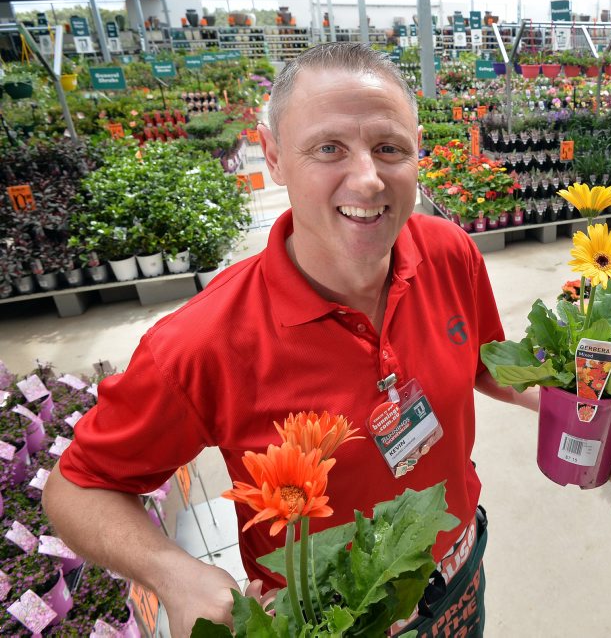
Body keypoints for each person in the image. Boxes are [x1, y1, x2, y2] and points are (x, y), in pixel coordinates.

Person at [43, 42, 537, 637]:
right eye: (329, 149)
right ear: (274, 157)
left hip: (459, 574)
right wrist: (171, 572)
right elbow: (76, 488)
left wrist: (581, 398)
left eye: (390, 148)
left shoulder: (449, 252)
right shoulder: (201, 343)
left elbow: (487, 365)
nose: (367, 178)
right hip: (330, 624)